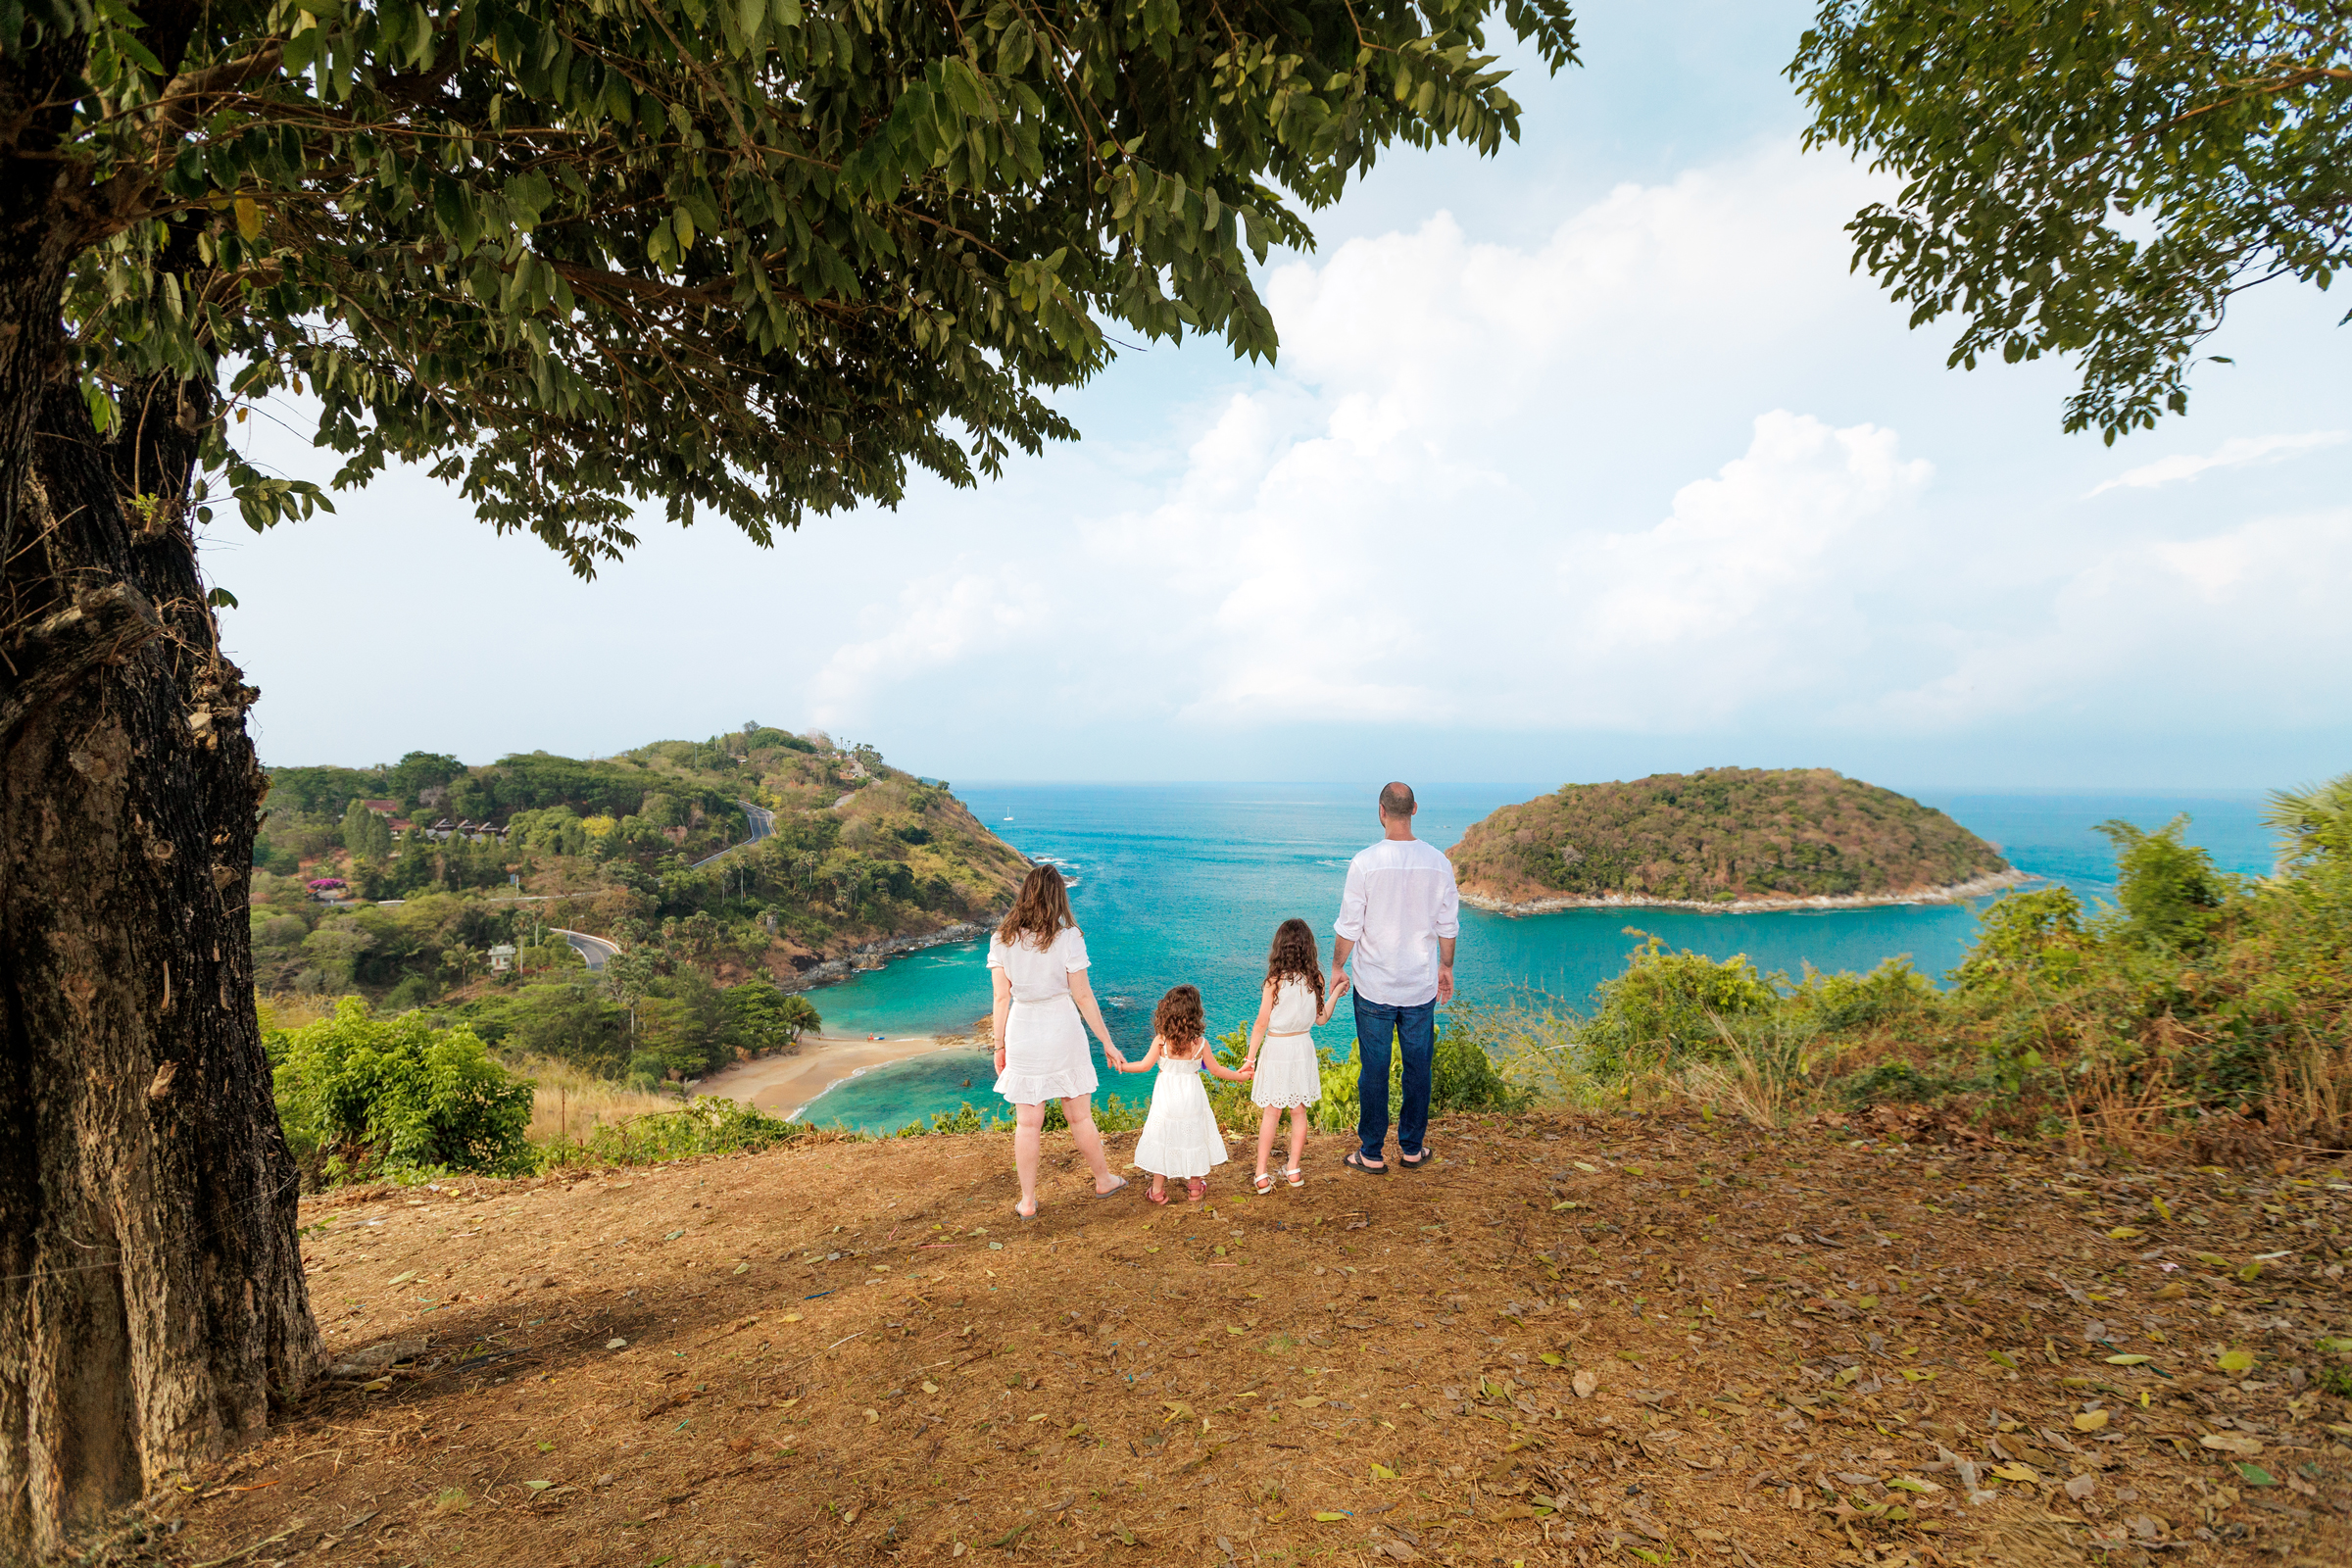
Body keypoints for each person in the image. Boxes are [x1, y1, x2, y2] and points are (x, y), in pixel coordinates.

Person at [1331, 781, 1459, 1174]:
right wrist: (1446, 967)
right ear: (1414, 809)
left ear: (1382, 811)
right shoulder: (1439, 862)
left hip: (1374, 985)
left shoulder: (1365, 863)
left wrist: (1337, 966)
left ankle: (1370, 1152)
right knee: (1419, 1067)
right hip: (1419, 985)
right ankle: (1412, 1148)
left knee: (1374, 1069)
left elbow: (1350, 926)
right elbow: (1448, 926)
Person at [988, 863, 1128, 1218]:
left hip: (1023, 1031)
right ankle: (1103, 1179)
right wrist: (1107, 1043)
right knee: (1079, 1117)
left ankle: (1028, 1201)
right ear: (1058, 897)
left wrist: (999, 1045)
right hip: (1062, 1030)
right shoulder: (1069, 938)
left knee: (1028, 1123)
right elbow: (1083, 997)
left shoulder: (1002, 939)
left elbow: (1001, 999)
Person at [1110, 984, 1251, 1204]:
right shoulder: (1200, 1043)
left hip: (1166, 1098)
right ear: (1195, 1013)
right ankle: (1194, 1187)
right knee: (1193, 1135)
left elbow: (1144, 1066)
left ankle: (1157, 1191)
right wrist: (1241, 1076)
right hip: (1192, 1096)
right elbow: (1216, 1071)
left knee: (1164, 1137)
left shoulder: (1161, 1041)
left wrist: (1122, 1066)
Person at [1241, 918, 1348, 1193]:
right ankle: (1293, 1170)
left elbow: (1261, 1023)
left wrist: (1249, 1059)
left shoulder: (1274, 981)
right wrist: (1335, 992)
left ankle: (1261, 1175)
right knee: (1299, 1113)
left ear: (1280, 948)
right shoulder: (1316, 979)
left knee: (1271, 1113)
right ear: (1308, 948)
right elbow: (1321, 1018)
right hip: (1302, 1048)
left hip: (1277, 1049)